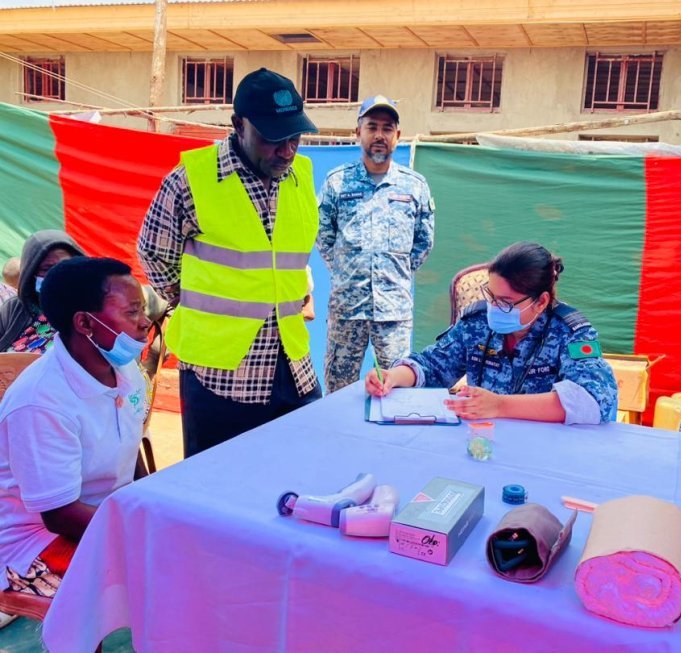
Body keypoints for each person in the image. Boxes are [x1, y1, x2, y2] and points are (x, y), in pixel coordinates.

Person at [138, 68, 322, 458]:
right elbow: (154, 252)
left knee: (300, 482)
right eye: (273, 138)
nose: (287, 150)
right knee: (218, 494)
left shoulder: (301, 177)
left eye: (295, 136)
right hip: (219, 375)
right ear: (238, 124)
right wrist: (194, 300)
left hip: (292, 366)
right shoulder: (191, 181)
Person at [0, 257, 150, 598]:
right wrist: (143, 529)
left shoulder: (124, 370)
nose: (144, 323)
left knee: (188, 552)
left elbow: (130, 446)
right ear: (84, 323)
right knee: (160, 571)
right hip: (34, 542)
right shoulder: (40, 402)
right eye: (131, 312)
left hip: (104, 517)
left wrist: (151, 502)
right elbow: (60, 516)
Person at [365, 242, 618, 424]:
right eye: (492, 297)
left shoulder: (571, 333)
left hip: (544, 448)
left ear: (541, 302)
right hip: (481, 441)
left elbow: (595, 400)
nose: (495, 308)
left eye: (506, 302)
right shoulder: (477, 323)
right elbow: (433, 365)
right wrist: (393, 377)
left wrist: (500, 405)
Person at [318, 95, 435, 393]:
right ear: (358, 132)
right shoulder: (337, 183)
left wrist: (393, 275)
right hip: (347, 309)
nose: (379, 135)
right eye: (372, 127)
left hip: (393, 312)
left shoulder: (414, 186)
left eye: (387, 128)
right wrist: (348, 271)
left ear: (398, 136)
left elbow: (423, 242)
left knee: (396, 391)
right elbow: (324, 237)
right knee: (338, 390)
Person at [0, 230, 85, 354]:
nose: (57, 273)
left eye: (65, 264)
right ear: (31, 273)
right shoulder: (14, 308)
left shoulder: (94, 312)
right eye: (46, 268)